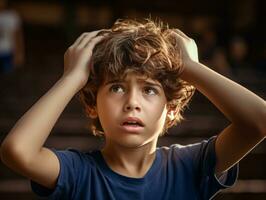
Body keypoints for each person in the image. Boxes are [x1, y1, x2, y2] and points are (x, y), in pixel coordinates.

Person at [0, 19, 265, 200]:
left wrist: (189, 68)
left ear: (170, 108)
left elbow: (259, 122)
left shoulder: (189, 166)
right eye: (116, 88)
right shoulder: (78, 172)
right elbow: (17, 151)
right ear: (93, 104)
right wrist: (72, 77)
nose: (132, 102)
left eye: (149, 89)